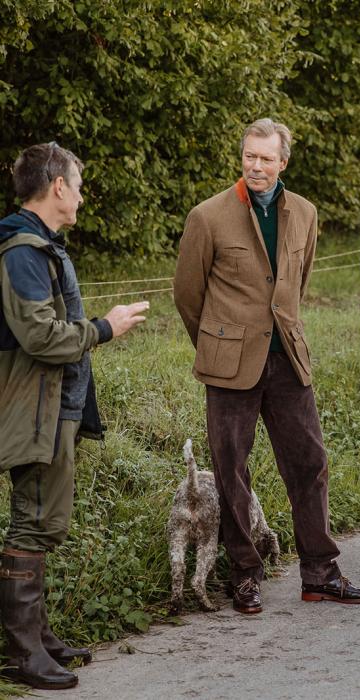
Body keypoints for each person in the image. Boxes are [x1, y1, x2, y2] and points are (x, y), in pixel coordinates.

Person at [173, 118, 360, 615]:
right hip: (229, 365)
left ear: (284, 162)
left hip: (287, 359)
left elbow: (296, 286)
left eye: (266, 158)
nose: (256, 166)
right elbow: (187, 296)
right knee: (230, 471)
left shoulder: (304, 212)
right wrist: (220, 341)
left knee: (309, 464)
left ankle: (320, 575)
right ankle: (244, 574)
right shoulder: (208, 216)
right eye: (249, 156)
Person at [0, 142, 149, 690]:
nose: (82, 195)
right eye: (78, 185)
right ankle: (22, 655)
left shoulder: (42, 245)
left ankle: (39, 638)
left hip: (55, 404)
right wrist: (106, 327)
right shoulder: (22, 250)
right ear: (58, 186)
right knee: (34, 520)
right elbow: (40, 336)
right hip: (34, 405)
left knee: (45, 521)